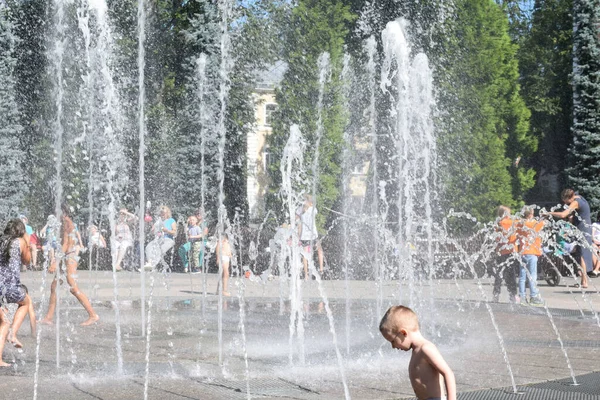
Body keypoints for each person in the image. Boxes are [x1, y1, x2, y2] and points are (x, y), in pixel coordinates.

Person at [380, 305, 456, 400]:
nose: (393, 346)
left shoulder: (426, 349)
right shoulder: (416, 350)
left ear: (403, 333)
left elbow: (448, 373)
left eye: (393, 341)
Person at [41, 204, 99, 326]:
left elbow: (66, 245)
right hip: (65, 257)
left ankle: (93, 315)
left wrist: (55, 262)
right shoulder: (64, 223)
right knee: (54, 286)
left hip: (70, 257)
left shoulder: (68, 223)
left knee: (73, 288)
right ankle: (48, 317)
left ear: (63, 213)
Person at [0, 219, 35, 365]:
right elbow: (27, 261)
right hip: (10, 288)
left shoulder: (1, 241)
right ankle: (13, 334)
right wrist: (27, 242)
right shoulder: (20, 242)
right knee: (26, 302)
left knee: (4, 320)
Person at [548, 189, 593, 288]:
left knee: (582, 255)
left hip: (582, 229)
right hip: (585, 228)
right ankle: (583, 281)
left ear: (570, 198)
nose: (565, 203)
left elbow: (564, 214)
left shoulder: (576, 202)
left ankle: (584, 282)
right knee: (582, 254)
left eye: (566, 201)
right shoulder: (579, 197)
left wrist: (549, 213)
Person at [516, 207, 544, 306]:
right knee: (532, 276)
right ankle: (533, 297)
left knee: (522, 277)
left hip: (522, 253)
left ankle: (522, 297)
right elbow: (543, 224)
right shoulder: (534, 223)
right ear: (531, 214)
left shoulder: (520, 224)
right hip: (532, 253)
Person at [492, 206, 519, 303]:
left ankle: (496, 294)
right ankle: (513, 295)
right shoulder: (512, 222)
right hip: (511, 251)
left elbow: (497, 238)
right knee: (511, 274)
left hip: (500, 251)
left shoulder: (498, 223)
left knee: (499, 274)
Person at [297, 194, 324, 280]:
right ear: (310, 202)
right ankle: (321, 269)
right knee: (319, 250)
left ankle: (306, 275)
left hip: (304, 236)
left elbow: (296, 219)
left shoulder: (300, 209)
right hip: (313, 235)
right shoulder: (313, 209)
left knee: (305, 255)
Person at [144, 205, 177, 271]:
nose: (162, 215)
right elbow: (152, 232)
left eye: (163, 213)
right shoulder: (158, 221)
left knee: (161, 249)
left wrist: (167, 230)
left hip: (168, 239)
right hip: (158, 239)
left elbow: (175, 232)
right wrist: (152, 231)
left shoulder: (171, 220)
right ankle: (149, 263)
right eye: (161, 213)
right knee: (148, 247)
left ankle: (153, 265)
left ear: (167, 213)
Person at [178, 209, 208, 273]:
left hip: (201, 241)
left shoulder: (204, 223)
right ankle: (186, 264)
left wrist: (194, 237)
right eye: (197, 213)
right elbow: (186, 231)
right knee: (182, 249)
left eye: (200, 213)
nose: (199, 215)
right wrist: (187, 221)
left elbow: (204, 233)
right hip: (191, 241)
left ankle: (197, 267)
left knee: (200, 250)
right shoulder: (192, 222)